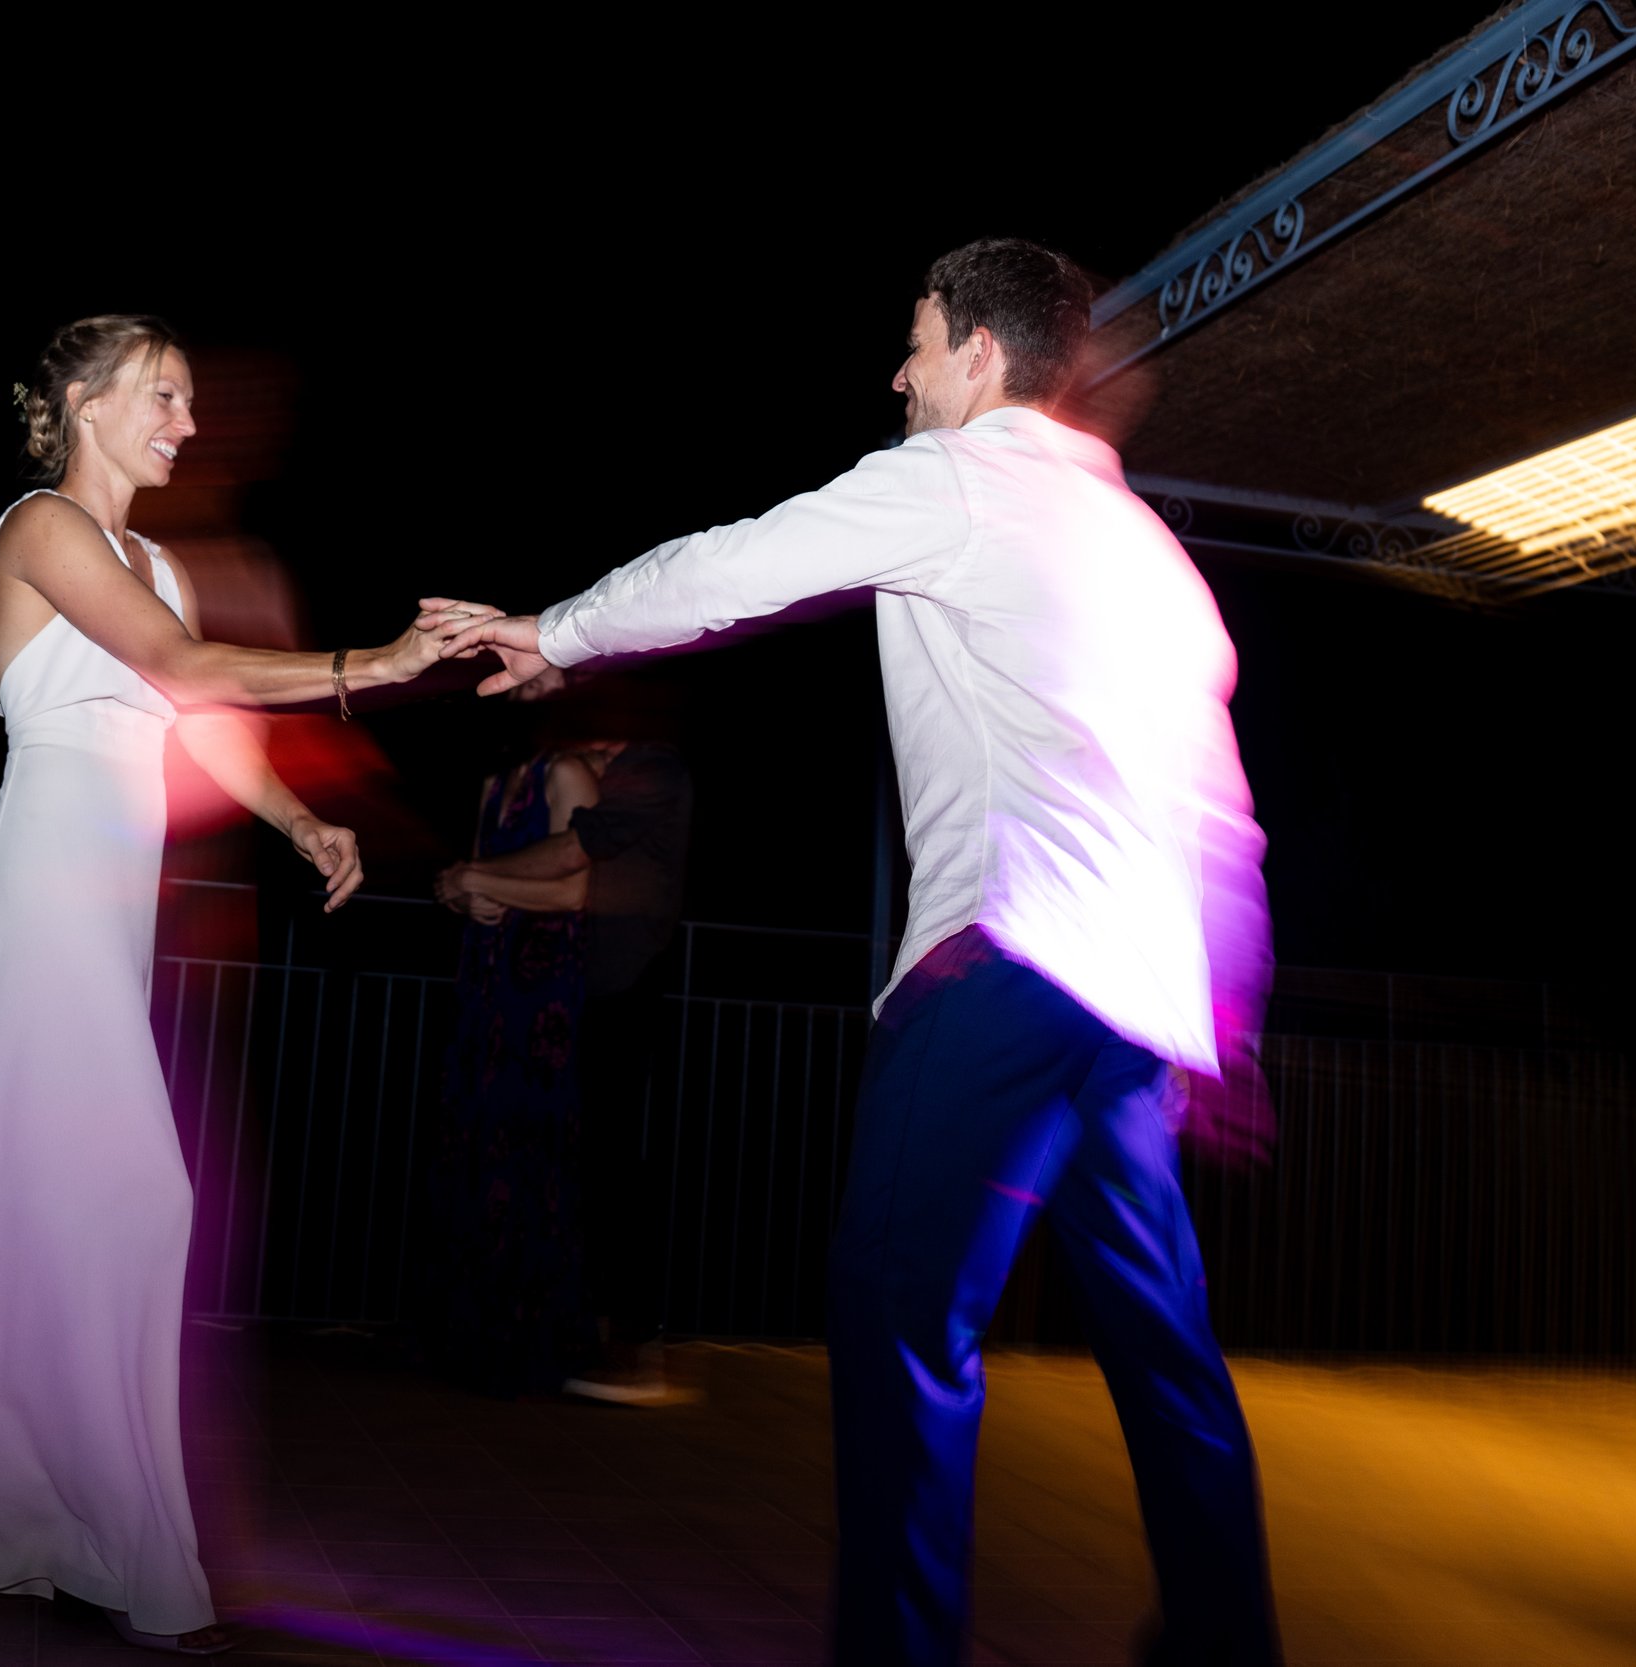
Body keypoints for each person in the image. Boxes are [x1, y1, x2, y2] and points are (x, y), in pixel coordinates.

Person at [443, 239, 1280, 1667]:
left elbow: (742, 562)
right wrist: (1226, 1016)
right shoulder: (1151, 551)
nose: (899, 373)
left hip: (1006, 965)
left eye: (918, 339)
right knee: (1163, 1343)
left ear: (981, 355)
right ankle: (1226, 1635)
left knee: (900, 1316)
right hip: (1134, 1010)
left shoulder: (960, 476)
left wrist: (560, 632)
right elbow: (1222, 815)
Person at [0, 314, 496, 1657]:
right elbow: (182, 667)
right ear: (84, 404)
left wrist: (300, 820)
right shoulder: (41, 527)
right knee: (136, 1194)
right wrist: (378, 662)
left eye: (187, 399)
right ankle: (109, 1533)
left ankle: (31, 1510)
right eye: (164, 395)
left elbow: (197, 717)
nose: (187, 421)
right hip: (45, 900)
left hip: (108, 911)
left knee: (31, 1198)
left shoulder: (158, 563)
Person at [438, 673, 693, 1405]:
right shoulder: (583, 764)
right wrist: (467, 884)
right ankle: (558, 1325)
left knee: (611, 1157)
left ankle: (632, 1347)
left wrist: (469, 877)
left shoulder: (652, 769)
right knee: (568, 1156)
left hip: (621, 985)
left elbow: (574, 855)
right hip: (568, 986)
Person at [429, 730, 599, 1397]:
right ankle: (470, 1333)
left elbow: (575, 891)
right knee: (474, 1149)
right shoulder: (494, 784)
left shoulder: (569, 774)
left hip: (541, 996)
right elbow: (462, 881)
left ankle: (530, 1343)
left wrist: (472, 880)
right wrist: (461, 892)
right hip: (484, 988)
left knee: (531, 1157)